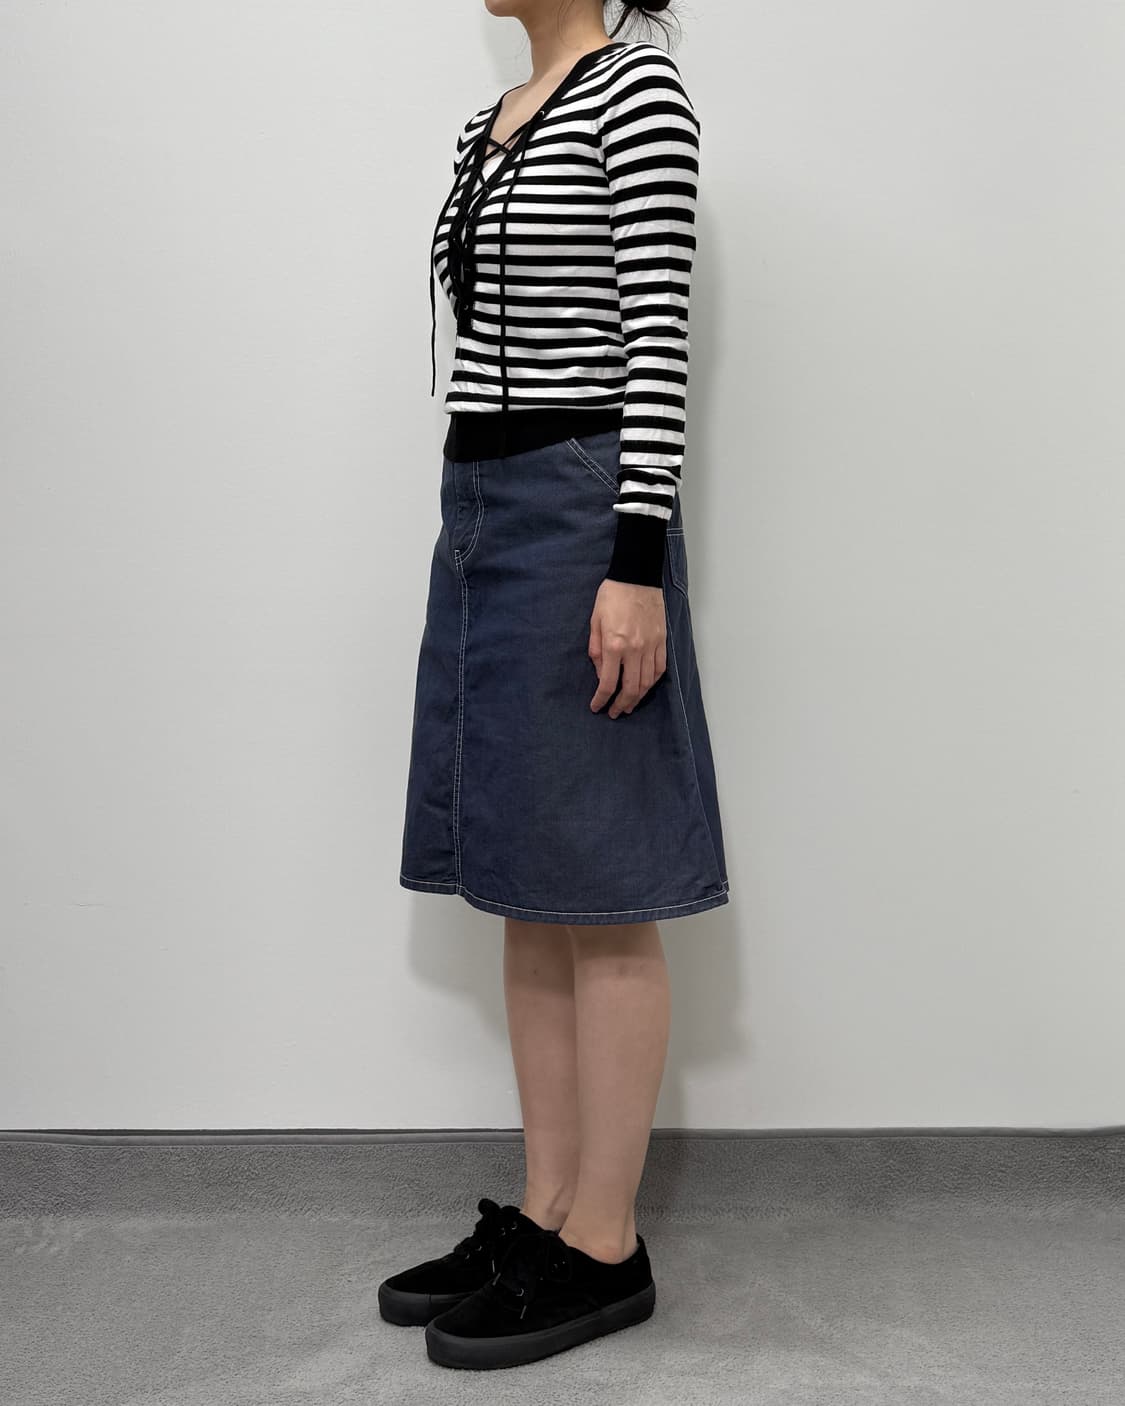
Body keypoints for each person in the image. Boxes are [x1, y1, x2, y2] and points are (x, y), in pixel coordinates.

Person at [384, 0, 729, 1370]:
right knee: (525, 875)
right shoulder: (490, 121)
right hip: (480, 504)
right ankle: (543, 1212)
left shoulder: (636, 90)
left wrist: (633, 561)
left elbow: (656, 340)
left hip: (583, 509)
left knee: (603, 874)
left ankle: (605, 1241)